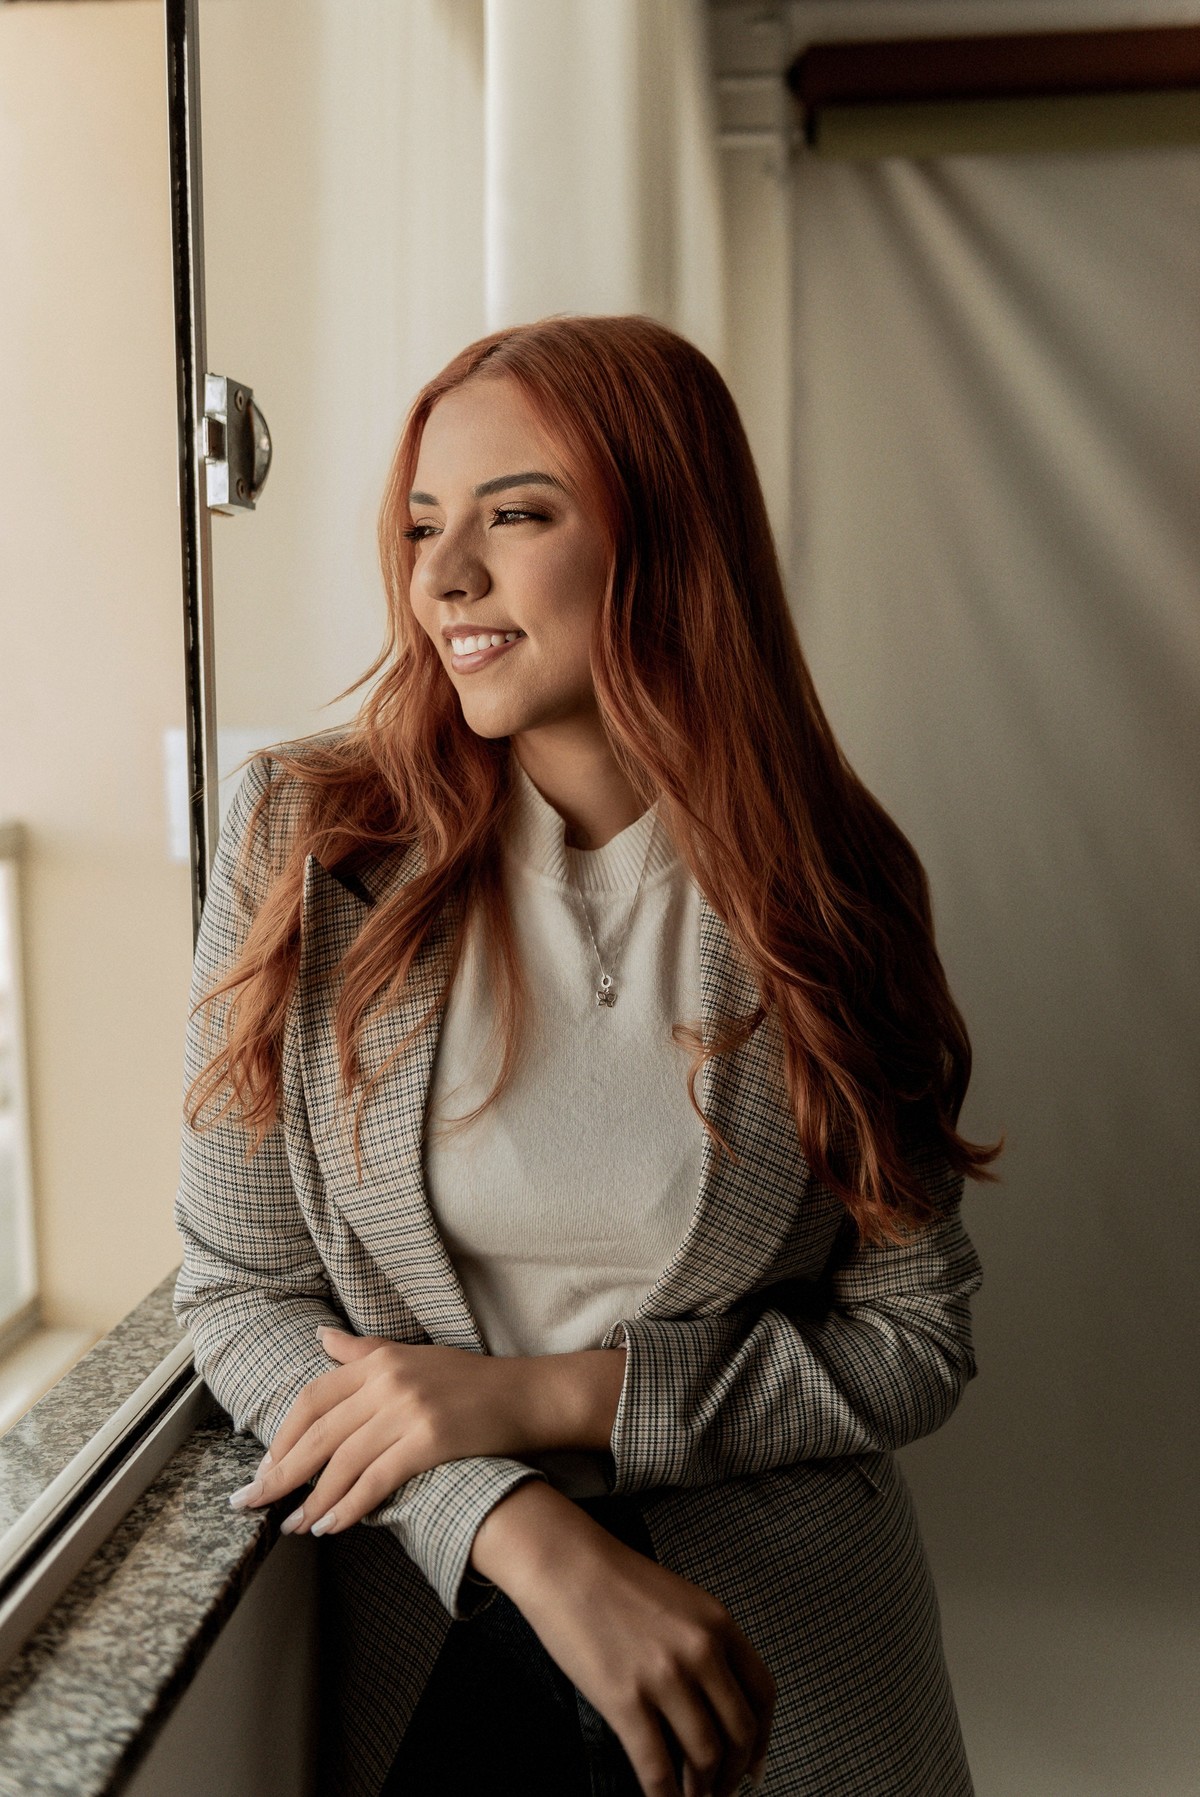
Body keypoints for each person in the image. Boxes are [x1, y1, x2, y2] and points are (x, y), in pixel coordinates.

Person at [174, 313, 999, 1797]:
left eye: (516, 515)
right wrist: (517, 1525)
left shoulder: (832, 888)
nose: (443, 576)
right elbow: (241, 1291)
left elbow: (913, 1337)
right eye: (423, 523)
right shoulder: (310, 840)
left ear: (666, 540)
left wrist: (553, 1400)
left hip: (791, 1669)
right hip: (437, 1659)